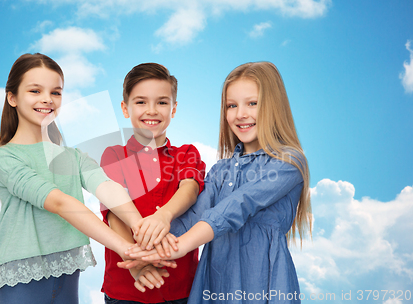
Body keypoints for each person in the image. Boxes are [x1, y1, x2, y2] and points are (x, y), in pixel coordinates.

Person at [125, 62, 312, 304]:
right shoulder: (220, 170)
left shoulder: (288, 162)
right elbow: (194, 216)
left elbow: (237, 206)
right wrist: (149, 244)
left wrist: (179, 247)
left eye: (252, 103)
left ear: (274, 106)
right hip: (216, 281)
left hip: (263, 283)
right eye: (231, 106)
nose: (240, 114)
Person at [0, 53, 157, 304]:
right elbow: (60, 204)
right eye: (35, 91)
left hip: (67, 273)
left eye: (55, 92)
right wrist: (127, 249)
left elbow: (108, 188)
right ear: (12, 97)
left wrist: (141, 230)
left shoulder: (72, 156)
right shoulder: (4, 157)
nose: (47, 99)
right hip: (22, 280)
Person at [100, 63, 206, 303]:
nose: (152, 110)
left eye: (162, 102)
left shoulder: (187, 153)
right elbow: (114, 212)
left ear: (174, 108)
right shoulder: (114, 154)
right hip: (126, 287)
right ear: (125, 108)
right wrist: (135, 264)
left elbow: (189, 188)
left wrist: (163, 216)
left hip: (182, 287)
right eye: (140, 102)